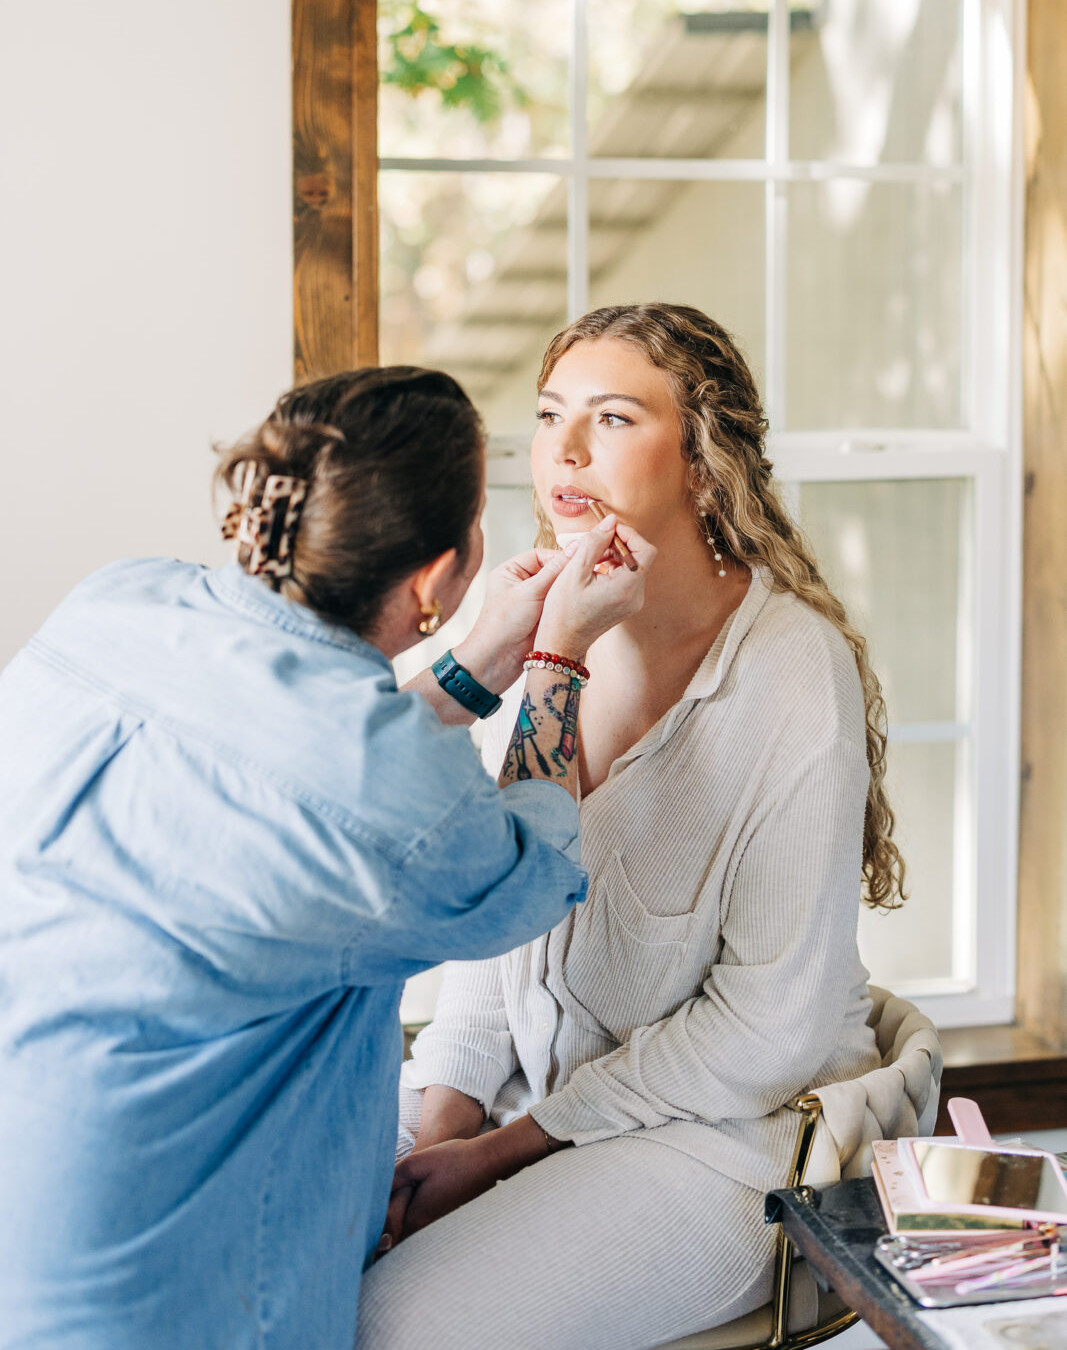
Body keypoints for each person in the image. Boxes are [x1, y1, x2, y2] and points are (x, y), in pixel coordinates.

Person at [0, 365, 654, 1350]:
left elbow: (303, 776)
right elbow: (532, 865)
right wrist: (557, 657)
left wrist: (477, 662)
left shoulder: (121, 601)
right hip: (175, 1287)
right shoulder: (382, 795)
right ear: (436, 575)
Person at [356, 305, 907, 1350]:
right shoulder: (545, 630)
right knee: (268, 1237)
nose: (561, 449)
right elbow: (493, 903)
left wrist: (498, 1152)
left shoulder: (789, 676)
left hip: (723, 1130)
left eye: (610, 417)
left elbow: (763, 1032)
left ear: (703, 465)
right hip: (533, 1087)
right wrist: (442, 1124)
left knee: (397, 1326)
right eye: (549, 413)